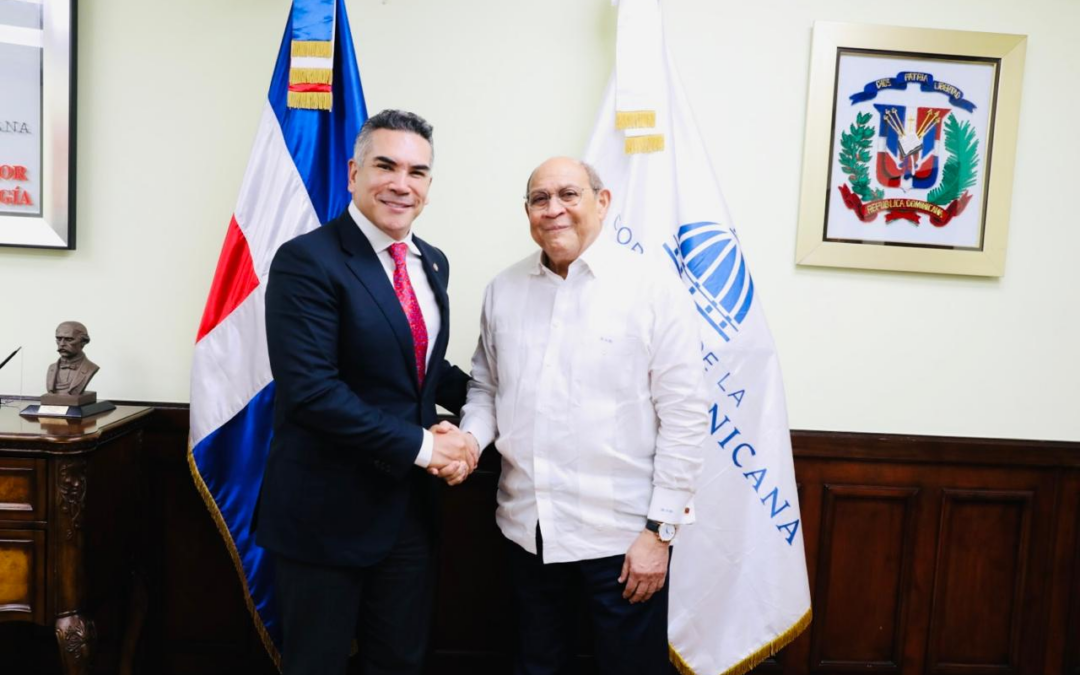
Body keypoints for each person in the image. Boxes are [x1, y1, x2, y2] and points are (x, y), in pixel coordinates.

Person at [458, 157, 709, 675]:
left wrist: (659, 534)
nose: (554, 209)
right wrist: (467, 442)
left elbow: (685, 416)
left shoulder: (654, 289)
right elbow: (486, 389)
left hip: (622, 541)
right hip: (526, 531)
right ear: (527, 212)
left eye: (568, 195)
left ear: (603, 202)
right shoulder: (503, 290)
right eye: (540, 199)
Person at [255, 109, 478, 675]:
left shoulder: (432, 262)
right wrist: (428, 448)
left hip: (408, 514)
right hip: (325, 516)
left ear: (428, 185)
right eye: (386, 166)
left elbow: (419, 366)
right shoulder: (307, 260)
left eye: (417, 172)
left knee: (400, 663)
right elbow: (312, 392)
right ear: (354, 173)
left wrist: (495, 398)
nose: (402, 184)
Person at [46, 321, 99, 396]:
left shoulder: (90, 368)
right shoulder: (52, 368)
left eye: (69, 339)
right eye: (59, 339)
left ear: (83, 342)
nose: (62, 344)